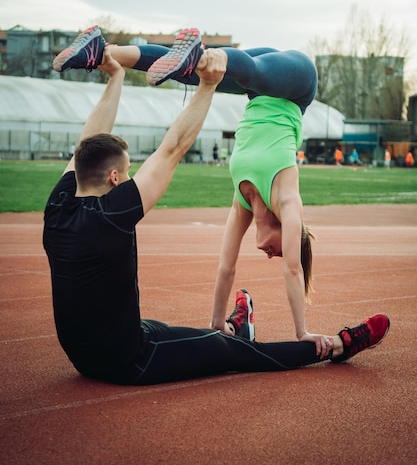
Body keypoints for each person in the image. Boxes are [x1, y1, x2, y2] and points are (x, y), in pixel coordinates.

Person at [44, 35, 390, 386]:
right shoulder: (101, 212)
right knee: (229, 353)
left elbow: (88, 142)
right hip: (126, 360)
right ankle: (335, 346)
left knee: (195, 68)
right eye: (129, 171)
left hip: (87, 356)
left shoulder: (60, 205)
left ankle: (107, 53)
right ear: (114, 178)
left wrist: (115, 73)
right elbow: (171, 149)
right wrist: (208, 86)